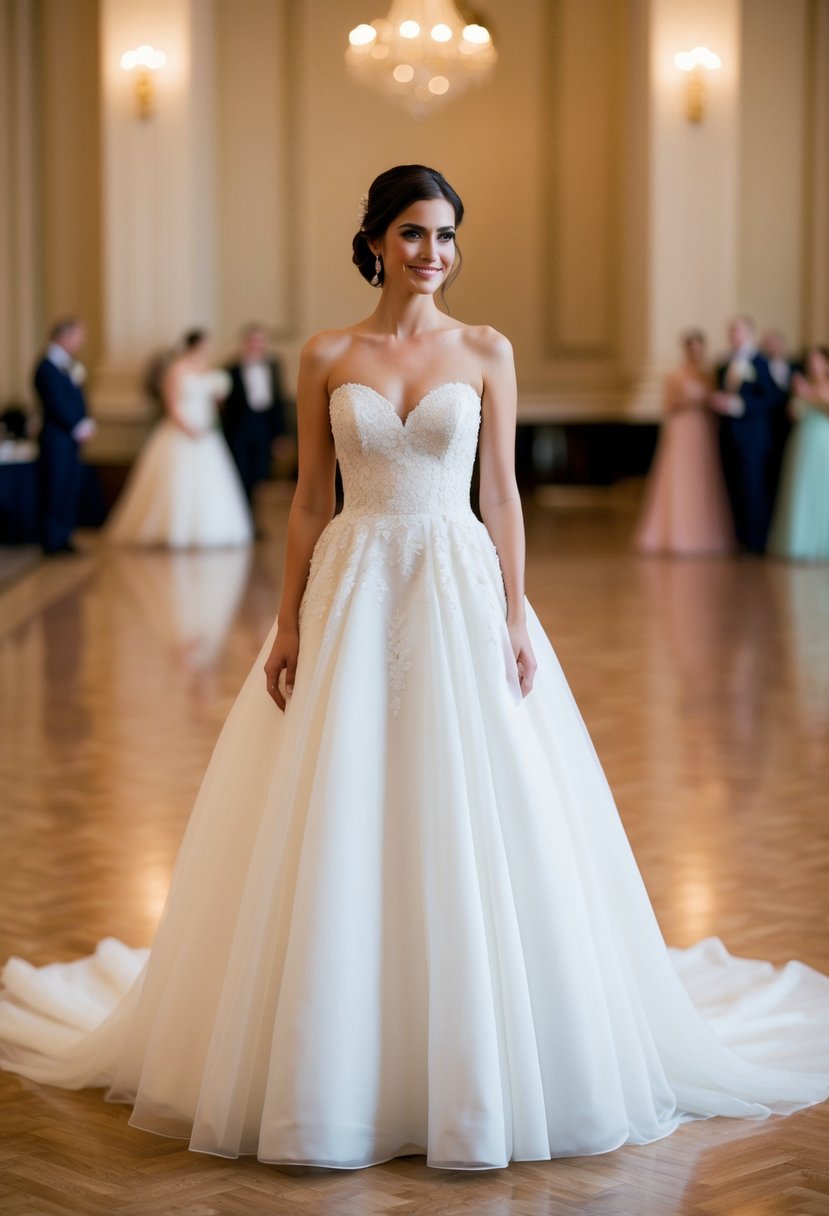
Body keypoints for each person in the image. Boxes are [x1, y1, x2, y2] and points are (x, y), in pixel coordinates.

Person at [1, 166, 828, 1171]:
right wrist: (290, 621)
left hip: (456, 582)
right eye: (413, 232)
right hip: (352, 581)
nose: (432, 251)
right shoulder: (325, 353)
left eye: (445, 234)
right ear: (376, 241)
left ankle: (475, 1046)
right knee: (339, 798)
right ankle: (333, 1057)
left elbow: (503, 493)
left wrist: (517, 612)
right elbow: (309, 497)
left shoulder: (485, 350)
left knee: (471, 793)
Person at [107, 330, 252, 549]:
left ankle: (209, 530)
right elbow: (171, 404)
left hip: (206, 432)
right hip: (180, 429)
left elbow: (213, 402)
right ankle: (170, 531)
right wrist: (188, 427)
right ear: (193, 345)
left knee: (210, 482)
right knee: (176, 480)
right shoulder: (176, 369)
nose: (207, 350)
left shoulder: (207, 370)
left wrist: (214, 407)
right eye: (204, 345)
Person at [635, 329, 735, 556]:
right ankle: (676, 534)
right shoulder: (675, 376)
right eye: (692, 348)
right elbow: (667, 404)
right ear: (686, 350)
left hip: (703, 430)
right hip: (682, 429)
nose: (695, 353)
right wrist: (689, 400)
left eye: (699, 348)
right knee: (680, 478)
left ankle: (704, 533)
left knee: (702, 478)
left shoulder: (708, 375)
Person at [711, 316, 778, 553]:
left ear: (749, 332)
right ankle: (739, 538)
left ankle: (756, 540)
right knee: (734, 486)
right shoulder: (724, 363)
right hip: (729, 435)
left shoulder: (760, 362)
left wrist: (739, 404)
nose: (734, 335)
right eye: (731, 331)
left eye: (738, 331)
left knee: (753, 487)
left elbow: (772, 397)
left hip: (753, 437)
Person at [33, 317, 97, 555]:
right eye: (78, 336)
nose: (80, 342)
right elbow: (55, 403)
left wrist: (86, 421)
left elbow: (76, 398)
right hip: (55, 439)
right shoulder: (45, 367)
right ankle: (52, 539)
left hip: (70, 441)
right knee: (55, 489)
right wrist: (76, 425)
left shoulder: (70, 365)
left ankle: (64, 536)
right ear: (64, 336)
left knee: (69, 489)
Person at [767, 344, 829, 561]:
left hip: (823, 441)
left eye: (816, 360)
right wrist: (796, 400)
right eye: (810, 360)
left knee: (822, 489)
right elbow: (794, 412)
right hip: (802, 439)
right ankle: (800, 542)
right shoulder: (803, 383)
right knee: (800, 487)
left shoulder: (821, 386)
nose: (812, 364)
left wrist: (808, 394)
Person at [222, 323, 287, 510]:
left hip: (264, 427)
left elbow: (278, 400)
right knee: (241, 473)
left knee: (260, 474)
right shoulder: (231, 369)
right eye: (252, 341)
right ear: (245, 342)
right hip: (239, 428)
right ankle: (243, 517)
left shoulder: (274, 365)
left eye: (260, 341)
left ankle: (253, 517)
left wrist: (281, 434)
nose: (256, 345)